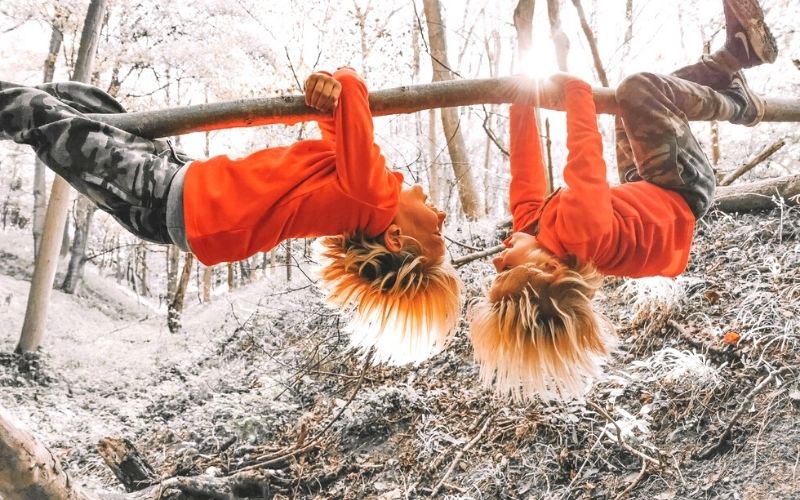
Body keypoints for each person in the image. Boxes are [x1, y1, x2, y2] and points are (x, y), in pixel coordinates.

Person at [0, 67, 461, 364]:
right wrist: (327, 87)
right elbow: (338, 121)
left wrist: (341, 84)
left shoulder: (374, 198)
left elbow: (353, 93)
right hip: (178, 181)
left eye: (438, 229)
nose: (440, 212)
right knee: (81, 102)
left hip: (165, 198)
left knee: (40, 117)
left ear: (396, 238)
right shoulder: (357, 194)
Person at [468, 0, 777, 400]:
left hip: (645, 184)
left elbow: (524, 175)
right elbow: (585, 164)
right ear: (547, 267)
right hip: (683, 188)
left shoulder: (533, 231)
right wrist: (577, 94)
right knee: (638, 89)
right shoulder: (583, 237)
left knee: (626, 106)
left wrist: (520, 101)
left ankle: (730, 61)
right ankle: (740, 105)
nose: (496, 258)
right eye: (505, 267)